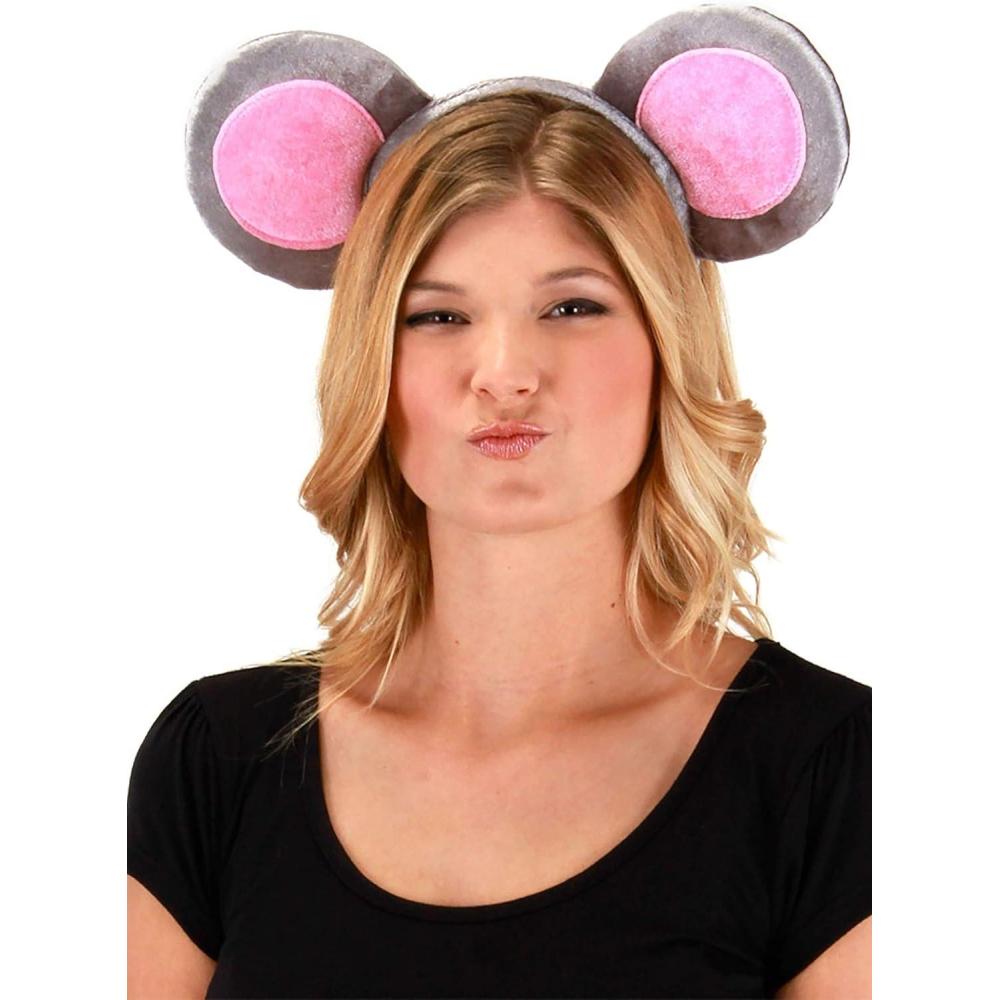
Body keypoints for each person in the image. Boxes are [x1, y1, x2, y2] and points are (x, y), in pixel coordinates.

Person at [128, 10, 871, 999]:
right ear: (371, 363)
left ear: (668, 344)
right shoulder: (215, 758)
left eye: (572, 306)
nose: (505, 372)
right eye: (437, 315)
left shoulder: (834, 769)